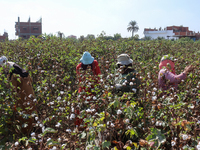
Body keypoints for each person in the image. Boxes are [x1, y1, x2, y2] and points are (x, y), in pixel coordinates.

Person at [0, 56, 36, 134]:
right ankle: (33, 126)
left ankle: (27, 131)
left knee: (24, 108)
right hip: (26, 87)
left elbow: (13, 89)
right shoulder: (13, 65)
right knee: (30, 106)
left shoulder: (12, 72)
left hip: (24, 89)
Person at [75, 51, 101, 128]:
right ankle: (81, 127)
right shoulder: (79, 67)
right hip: (86, 91)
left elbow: (98, 76)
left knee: (89, 110)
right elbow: (98, 77)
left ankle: (88, 128)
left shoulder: (94, 64)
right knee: (83, 109)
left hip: (89, 91)